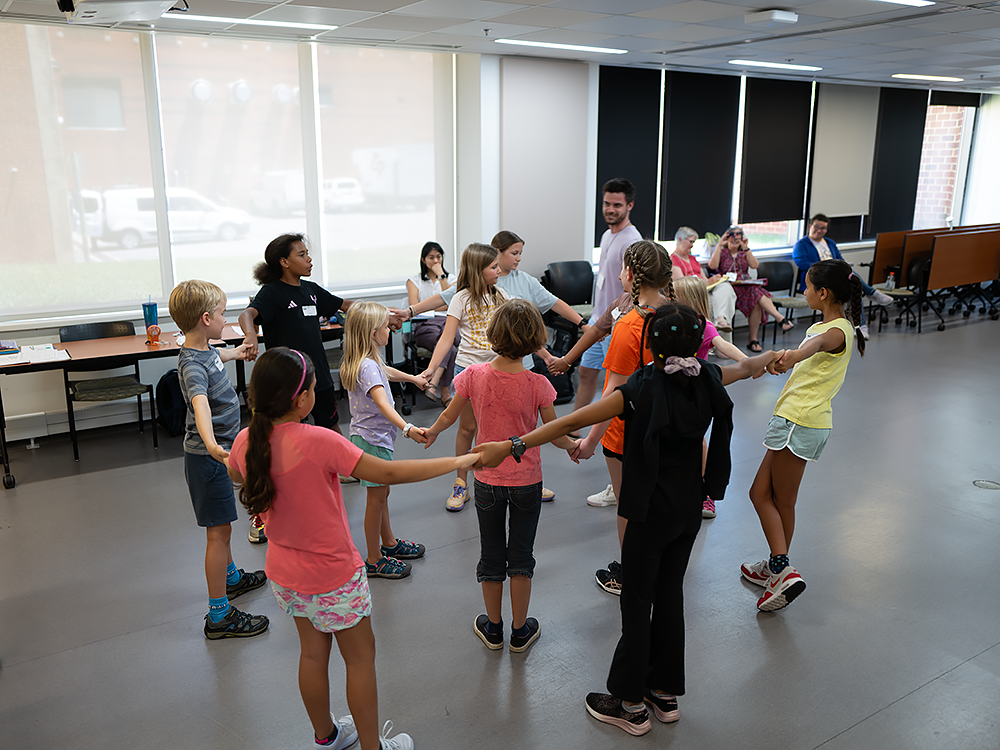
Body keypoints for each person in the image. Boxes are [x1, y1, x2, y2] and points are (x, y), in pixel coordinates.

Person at [470, 304, 751, 736]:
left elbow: (582, 417)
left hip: (648, 513)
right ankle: (665, 693)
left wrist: (512, 445)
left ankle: (630, 704)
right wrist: (777, 359)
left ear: (651, 346)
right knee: (670, 597)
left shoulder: (644, 387)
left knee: (637, 602)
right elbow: (746, 369)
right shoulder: (708, 379)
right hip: (687, 511)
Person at [227, 347, 476, 750]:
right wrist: (459, 461)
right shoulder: (319, 441)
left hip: (286, 577)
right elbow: (390, 471)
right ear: (303, 398)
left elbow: (235, 470)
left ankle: (326, 738)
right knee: (360, 659)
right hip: (334, 577)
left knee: (311, 655)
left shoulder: (246, 440)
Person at [421, 299, 579, 652]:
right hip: (527, 483)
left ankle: (493, 628)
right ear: (535, 339)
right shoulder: (539, 384)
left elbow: (449, 417)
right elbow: (554, 434)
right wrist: (573, 445)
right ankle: (520, 631)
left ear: (493, 334)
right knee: (521, 555)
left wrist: (431, 431)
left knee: (491, 554)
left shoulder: (473, 376)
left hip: (487, 482)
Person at [741, 259, 865, 613]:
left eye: (807, 287)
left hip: (801, 422)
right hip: (790, 419)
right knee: (759, 493)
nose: (803, 292)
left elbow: (817, 346)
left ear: (823, 293)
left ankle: (782, 569)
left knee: (782, 501)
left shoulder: (838, 329)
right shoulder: (826, 324)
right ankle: (777, 562)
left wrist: (792, 355)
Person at [571, 240, 675, 595]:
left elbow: (613, 394)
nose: (616, 274)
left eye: (621, 268)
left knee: (629, 506)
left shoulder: (630, 325)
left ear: (632, 274)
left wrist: (589, 440)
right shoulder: (680, 316)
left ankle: (631, 574)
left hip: (628, 433)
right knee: (658, 500)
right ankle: (658, 563)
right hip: (668, 427)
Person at [167, 279, 269, 640]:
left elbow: (216, 358)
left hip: (218, 455)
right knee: (219, 533)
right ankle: (219, 615)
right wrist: (211, 444)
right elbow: (200, 405)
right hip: (208, 458)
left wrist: (237, 353)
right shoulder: (191, 366)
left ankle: (231, 579)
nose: (226, 320)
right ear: (206, 318)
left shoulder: (205, 349)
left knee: (223, 528)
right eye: (224, 314)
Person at [341, 301, 431, 580]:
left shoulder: (367, 361)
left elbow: (386, 372)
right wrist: (408, 428)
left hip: (371, 438)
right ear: (371, 333)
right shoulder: (367, 367)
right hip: (372, 441)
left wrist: (413, 378)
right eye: (385, 328)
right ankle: (373, 558)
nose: (390, 332)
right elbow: (383, 404)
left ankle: (389, 543)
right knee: (375, 499)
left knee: (382, 495)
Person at [418, 242, 510, 512]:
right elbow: (447, 338)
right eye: (493, 267)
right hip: (469, 372)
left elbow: (513, 332)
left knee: (505, 428)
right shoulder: (460, 298)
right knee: (468, 428)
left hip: (498, 370)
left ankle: (514, 478)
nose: (498, 270)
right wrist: (432, 369)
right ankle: (461, 483)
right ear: (478, 270)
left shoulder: (500, 295)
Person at [673, 276, 748, 519]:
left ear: (689, 300)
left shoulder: (703, 327)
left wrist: (746, 362)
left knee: (698, 441)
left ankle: (706, 496)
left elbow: (723, 346)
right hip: (672, 389)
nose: (670, 299)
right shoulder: (672, 323)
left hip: (695, 391)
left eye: (675, 296)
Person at [576, 178, 643, 414]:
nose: (610, 210)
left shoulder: (632, 241)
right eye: (607, 204)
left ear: (629, 206)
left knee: (614, 381)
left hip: (618, 321)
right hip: (599, 318)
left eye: (617, 205)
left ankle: (607, 430)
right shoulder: (606, 235)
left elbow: (639, 286)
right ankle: (575, 426)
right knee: (586, 371)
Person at [792, 214, 894, 339]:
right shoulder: (802, 244)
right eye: (816, 226)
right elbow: (802, 264)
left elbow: (840, 260)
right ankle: (871, 294)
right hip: (817, 280)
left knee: (852, 285)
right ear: (810, 226)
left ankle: (860, 326)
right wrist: (827, 267)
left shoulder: (829, 242)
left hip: (834, 277)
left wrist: (839, 267)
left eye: (823, 228)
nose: (819, 230)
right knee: (850, 280)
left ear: (827, 229)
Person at [708, 226, 795, 353]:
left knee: (755, 297)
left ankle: (755, 339)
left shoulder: (744, 252)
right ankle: (778, 319)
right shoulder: (722, 251)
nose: (735, 238)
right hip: (729, 288)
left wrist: (746, 248)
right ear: (727, 237)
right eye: (732, 235)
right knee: (756, 295)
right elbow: (712, 266)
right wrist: (719, 245)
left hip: (746, 287)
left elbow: (755, 265)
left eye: (739, 235)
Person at [406, 241, 459, 406]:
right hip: (425, 324)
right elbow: (415, 307)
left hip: (448, 321)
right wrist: (439, 305)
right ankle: (444, 394)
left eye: (438, 257)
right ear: (423, 260)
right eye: (431, 257)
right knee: (450, 347)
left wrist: (441, 275)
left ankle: (433, 383)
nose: (436, 261)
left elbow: (451, 302)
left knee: (449, 341)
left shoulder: (452, 279)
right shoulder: (414, 281)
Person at [670, 226, 736, 338]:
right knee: (718, 301)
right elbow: (682, 286)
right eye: (690, 241)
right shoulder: (673, 260)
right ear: (680, 239)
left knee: (725, 287)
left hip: (705, 290)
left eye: (694, 242)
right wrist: (708, 282)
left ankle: (721, 320)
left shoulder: (692, 259)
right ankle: (721, 342)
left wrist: (714, 280)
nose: (692, 245)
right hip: (692, 294)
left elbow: (705, 280)